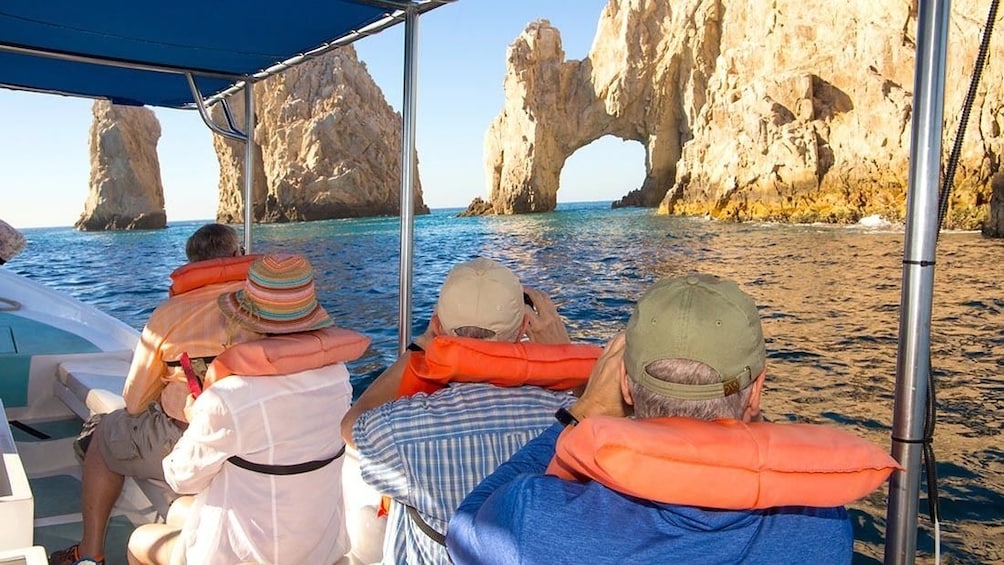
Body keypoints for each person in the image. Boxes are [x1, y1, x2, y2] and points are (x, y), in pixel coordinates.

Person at [446, 274, 855, 564]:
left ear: (625, 384)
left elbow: (464, 527)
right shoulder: (822, 527)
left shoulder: (533, 519)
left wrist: (583, 411)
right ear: (757, 390)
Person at [341, 257, 585, 565]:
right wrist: (567, 354)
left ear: (438, 326)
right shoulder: (573, 423)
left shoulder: (400, 430)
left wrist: (420, 347)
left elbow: (352, 426)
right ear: (525, 327)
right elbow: (607, 420)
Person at [126, 253, 363, 565]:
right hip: (318, 548)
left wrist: (195, 417)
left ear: (247, 321)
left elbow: (181, 479)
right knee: (179, 511)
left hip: (245, 557)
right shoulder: (338, 377)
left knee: (141, 540)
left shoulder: (229, 398)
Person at [50, 223, 259, 565]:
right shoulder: (269, 309)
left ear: (191, 266)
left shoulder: (169, 315)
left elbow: (134, 402)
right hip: (260, 434)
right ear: (238, 256)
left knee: (104, 432)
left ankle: (89, 554)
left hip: (194, 437)